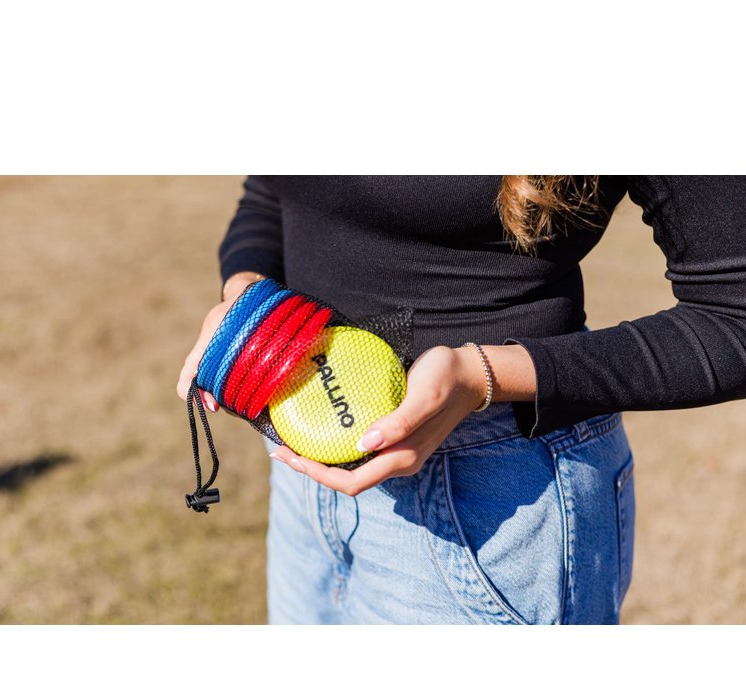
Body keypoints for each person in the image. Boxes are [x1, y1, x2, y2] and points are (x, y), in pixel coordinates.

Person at [177, 176, 746, 625]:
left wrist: (478, 376)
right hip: (302, 478)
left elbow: (733, 317)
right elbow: (271, 192)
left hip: (492, 500)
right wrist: (247, 303)